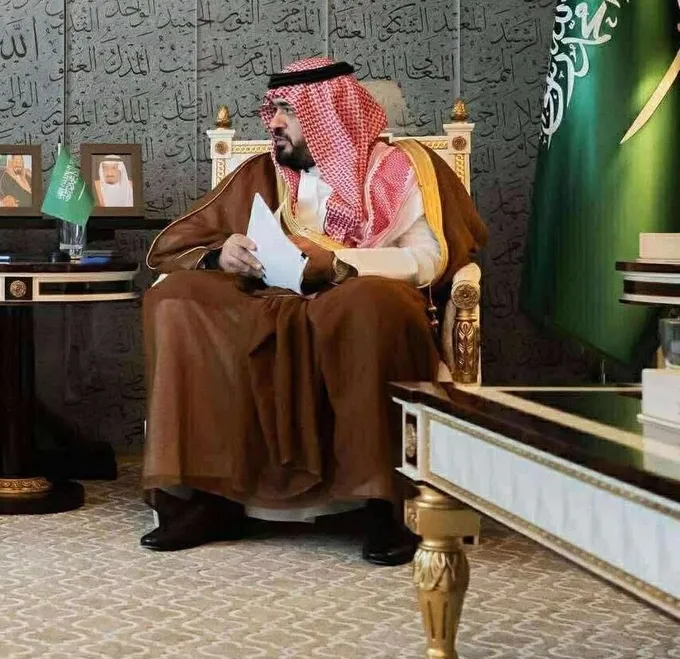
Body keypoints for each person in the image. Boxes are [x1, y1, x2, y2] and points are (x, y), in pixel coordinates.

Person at [139, 57, 487, 565]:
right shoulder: (262, 173)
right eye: (273, 109)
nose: (274, 122)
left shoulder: (402, 170)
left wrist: (342, 265)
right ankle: (215, 498)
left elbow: (430, 259)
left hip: (357, 294)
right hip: (266, 298)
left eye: (289, 110)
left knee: (373, 308)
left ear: (332, 114)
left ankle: (382, 504)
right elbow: (186, 244)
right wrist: (221, 254)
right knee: (177, 300)